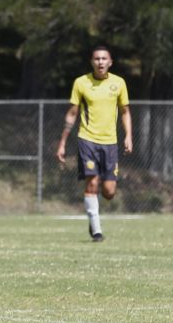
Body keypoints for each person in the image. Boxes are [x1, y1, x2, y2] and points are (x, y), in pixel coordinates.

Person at [56, 45, 133, 242]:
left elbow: (125, 112)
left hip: (110, 143)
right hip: (87, 139)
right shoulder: (81, 83)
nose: (100, 62)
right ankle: (96, 230)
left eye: (104, 59)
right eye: (97, 58)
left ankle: (94, 213)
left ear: (110, 62)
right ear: (92, 62)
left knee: (108, 192)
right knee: (92, 183)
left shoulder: (119, 83)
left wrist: (128, 136)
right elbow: (72, 114)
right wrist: (62, 142)